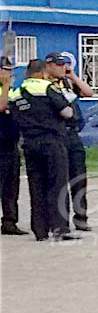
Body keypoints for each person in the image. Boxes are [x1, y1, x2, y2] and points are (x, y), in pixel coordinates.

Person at [7, 60, 78, 241]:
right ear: (43, 72)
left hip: (30, 144)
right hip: (52, 142)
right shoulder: (47, 88)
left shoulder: (16, 93)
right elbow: (67, 113)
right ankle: (60, 228)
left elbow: (13, 116)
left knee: (36, 187)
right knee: (57, 185)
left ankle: (40, 230)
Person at [45, 52, 94, 231]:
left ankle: (81, 217)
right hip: (56, 135)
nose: (61, 68)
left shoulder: (67, 83)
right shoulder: (45, 85)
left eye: (63, 65)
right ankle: (58, 219)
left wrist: (72, 76)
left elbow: (89, 92)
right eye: (58, 65)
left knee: (79, 178)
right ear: (49, 65)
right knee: (58, 180)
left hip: (73, 135)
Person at [0, 57, 27, 235]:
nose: (10, 74)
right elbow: (2, 107)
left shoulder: (13, 91)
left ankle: (9, 222)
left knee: (11, 185)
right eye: (6, 70)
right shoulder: (5, 90)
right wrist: (5, 86)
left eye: (11, 70)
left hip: (11, 143)